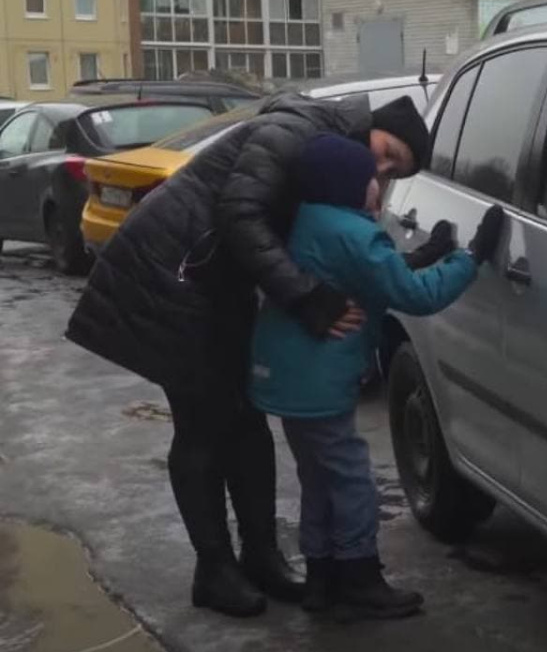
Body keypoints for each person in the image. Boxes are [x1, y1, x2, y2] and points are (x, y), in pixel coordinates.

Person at [64, 93, 462, 618]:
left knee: (246, 420)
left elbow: (333, 250)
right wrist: (305, 297)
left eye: (394, 170)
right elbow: (241, 214)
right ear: (372, 125)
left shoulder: (328, 157)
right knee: (203, 421)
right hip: (172, 270)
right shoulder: (295, 132)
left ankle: (260, 556)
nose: (381, 169)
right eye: (386, 152)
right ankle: (214, 568)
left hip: (216, 281)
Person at [249, 133, 503, 620]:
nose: (380, 184)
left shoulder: (312, 219)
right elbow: (414, 296)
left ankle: (323, 578)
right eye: (373, 176)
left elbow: (367, 277)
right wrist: (469, 259)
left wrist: (426, 254)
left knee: (319, 478)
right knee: (350, 480)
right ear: (348, 184)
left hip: (289, 377)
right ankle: (360, 576)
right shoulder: (353, 232)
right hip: (319, 380)